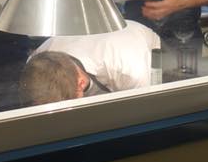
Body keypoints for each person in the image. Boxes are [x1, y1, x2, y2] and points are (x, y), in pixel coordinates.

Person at [20, 20, 162, 105]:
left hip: (147, 47)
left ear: (81, 82)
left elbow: (145, 110)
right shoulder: (35, 65)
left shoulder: (128, 70)